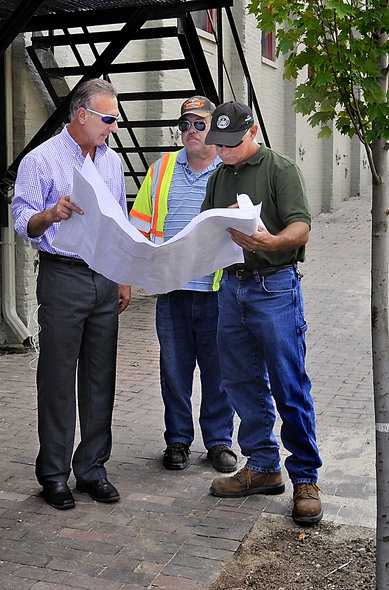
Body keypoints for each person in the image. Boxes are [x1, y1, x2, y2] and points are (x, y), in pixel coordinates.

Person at [200, 101, 324, 525]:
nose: (223, 151)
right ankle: (263, 466)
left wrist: (273, 243)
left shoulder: (280, 169)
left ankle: (305, 477)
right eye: (217, 144)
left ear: (252, 132)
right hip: (230, 288)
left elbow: (301, 227)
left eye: (231, 144)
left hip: (275, 287)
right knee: (240, 382)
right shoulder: (218, 176)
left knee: (289, 383)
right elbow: (207, 227)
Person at [11, 78, 131, 511]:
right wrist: (50, 213)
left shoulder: (112, 162)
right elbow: (22, 219)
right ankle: (54, 475)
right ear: (81, 114)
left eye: (115, 119)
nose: (113, 127)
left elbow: (117, 218)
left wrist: (122, 274)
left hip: (103, 274)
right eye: (108, 118)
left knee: (101, 378)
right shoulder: (41, 160)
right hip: (63, 276)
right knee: (58, 379)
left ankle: (92, 470)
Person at [129, 96, 236, 472]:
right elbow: (139, 225)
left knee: (217, 371)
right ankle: (177, 440)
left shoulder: (230, 169)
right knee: (174, 370)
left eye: (200, 124)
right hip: (172, 289)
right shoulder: (162, 169)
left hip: (218, 291)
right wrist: (137, 272)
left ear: (216, 128)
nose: (191, 131)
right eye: (185, 124)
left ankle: (219, 442)